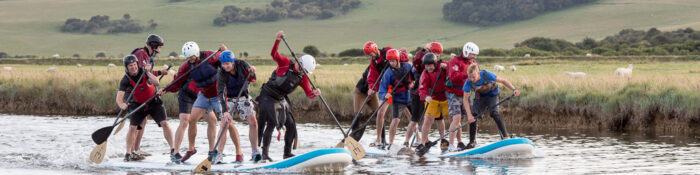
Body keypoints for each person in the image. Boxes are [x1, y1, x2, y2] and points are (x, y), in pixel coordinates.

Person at [256, 30, 320, 161]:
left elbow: (309, 94)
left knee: (291, 125)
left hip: (280, 99)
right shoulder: (285, 63)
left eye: (307, 72)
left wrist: (315, 93)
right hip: (267, 95)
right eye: (304, 70)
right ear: (300, 64)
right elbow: (274, 54)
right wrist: (277, 40)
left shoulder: (303, 78)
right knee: (272, 123)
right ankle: (264, 154)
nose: (304, 73)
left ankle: (287, 153)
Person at [160, 41, 226, 163]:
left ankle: (212, 151)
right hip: (186, 94)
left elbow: (226, 63)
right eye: (188, 58)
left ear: (197, 53)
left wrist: (224, 50)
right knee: (185, 121)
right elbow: (176, 83)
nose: (190, 60)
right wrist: (165, 89)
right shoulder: (185, 66)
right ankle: (176, 153)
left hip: (202, 95)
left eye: (192, 57)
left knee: (212, 120)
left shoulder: (210, 56)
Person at [116, 55, 176, 162]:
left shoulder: (145, 71)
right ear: (126, 67)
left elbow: (157, 83)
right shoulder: (125, 79)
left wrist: (148, 72)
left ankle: (173, 149)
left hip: (154, 102)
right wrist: (122, 105)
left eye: (135, 65)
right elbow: (119, 98)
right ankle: (128, 153)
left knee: (165, 123)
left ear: (137, 65)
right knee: (132, 128)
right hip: (138, 105)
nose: (133, 68)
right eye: (130, 66)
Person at [214, 50, 262, 163]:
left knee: (253, 122)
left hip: (243, 96)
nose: (225, 66)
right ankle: (219, 154)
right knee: (224, 124)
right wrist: (225, 111)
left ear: (232, 62)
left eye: (227, 63)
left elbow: (253, 79)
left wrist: (252, 72)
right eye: (223, 64)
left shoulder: (242, 64)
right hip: (228, 98)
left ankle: (255, 152)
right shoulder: (221, 73)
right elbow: (220, 92)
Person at [128, 34, 170, 158]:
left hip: (143, 91)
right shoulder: (142, 54)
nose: (160, 50)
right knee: (137, 123)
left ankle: (136, 148)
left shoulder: (146, 55)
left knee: (143, 120)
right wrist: (156, 74)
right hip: (137, 93)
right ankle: (131, 151)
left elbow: (148, 73)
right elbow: (142, 73)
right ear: (154, 45)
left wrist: (159, 72)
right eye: (159, 47)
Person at [462, 64, 520, 147]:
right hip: (480, 98)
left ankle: (505, 137)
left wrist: (514, 89)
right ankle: (472, 142)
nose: (472, 79)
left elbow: (503, 81)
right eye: (470, 77)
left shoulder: (487, 75)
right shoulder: (468, 82)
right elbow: (465, 99)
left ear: (478, 73)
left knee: (494, 113)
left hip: (493, 95)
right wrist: (469, 115)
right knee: (473, 116)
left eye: (473, 77)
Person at [349, 42, 392, 142]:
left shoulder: (386, 52)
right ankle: (353, 141)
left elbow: (396, 55)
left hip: (372, 94)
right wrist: (371, 88)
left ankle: (383, 140)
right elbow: (371, 79)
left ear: (376, 49)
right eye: (369, 55)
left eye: (371, 53)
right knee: (358, 115)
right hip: (361, 92)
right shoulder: (373, 63)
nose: (370, 56)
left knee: (379, 115)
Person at [445, 42, 479, 152]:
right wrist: (468, 74)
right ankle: (451, 145)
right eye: (472, 54)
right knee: (457, 118)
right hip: (453, 93)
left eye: (475, 55)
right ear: (466, 52)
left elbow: (478, 76)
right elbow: (454, 77)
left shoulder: (473, 63)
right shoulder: (454, 61)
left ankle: (473, 141)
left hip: (466, 93)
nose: (474, 57)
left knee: (472, 117)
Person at [376, 49, 413, 150]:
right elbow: (382, 89)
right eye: (389, 61)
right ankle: (391, 143)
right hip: (398, 99)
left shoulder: (408, 66)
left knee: (414, 120)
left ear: (398, 59)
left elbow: (415, 76)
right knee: (396, 120)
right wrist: (385, 95)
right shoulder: (388, 73)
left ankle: (412, 141)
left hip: (409, 97)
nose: (391, 63)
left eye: (393, 61)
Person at [408, 42, 443, 147]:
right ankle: (407, 142)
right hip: (419, 92)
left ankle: (430, 140)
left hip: (433, 95)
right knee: (416, 119)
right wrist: (423, 49)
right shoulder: (422, 60)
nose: (437, 55)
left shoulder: (437, 63)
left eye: (439, 53)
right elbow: (415, 60)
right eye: (435, 52)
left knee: (434, 118)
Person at [415, 53, 450, 153]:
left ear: (435, 64)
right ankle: (423, 143)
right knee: (428, 119)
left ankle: (444, 140)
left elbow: (453, 71)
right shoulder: (425, 74)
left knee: (446, 118)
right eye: (426, 65)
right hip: (432, 98)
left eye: (430, 65)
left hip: (445, 98)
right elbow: (422, 88)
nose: (428, 68)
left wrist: (447, 67)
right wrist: (426, 96)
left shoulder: (443, 67)